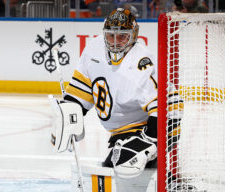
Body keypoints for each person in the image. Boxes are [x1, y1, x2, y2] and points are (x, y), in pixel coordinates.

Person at [50, 8, 159, 179]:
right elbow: (82, 90)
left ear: (133, 35)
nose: (115, 42)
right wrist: (67, 116)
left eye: (122, 36)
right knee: (110, 170)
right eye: (111, 36)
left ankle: (169, 176)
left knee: (124, 169)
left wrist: (150, 142)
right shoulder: (94, 48)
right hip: (120, 134)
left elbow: (169, 110)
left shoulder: (141, 64)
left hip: (145, 130)